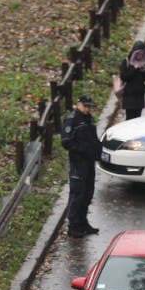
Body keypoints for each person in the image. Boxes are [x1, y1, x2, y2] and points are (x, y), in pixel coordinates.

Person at [61, 94, 102, 238]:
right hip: (78, 162)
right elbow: (66, 142)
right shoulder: (72, 120)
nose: (88, 109)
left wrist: (98, 152)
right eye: (85, 106)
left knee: (88, 193)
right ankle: (73, 226)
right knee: (77, 194)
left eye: (89, 107)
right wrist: (82, 150)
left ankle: (83, 223)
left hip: (89, 162)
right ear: (78, 104)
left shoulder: (88, 119)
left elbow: (93, 139)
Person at [119, 41, 145, 120]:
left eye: (142, 53)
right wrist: (134, 68)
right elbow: (124, 77)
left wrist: (144, 71)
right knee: (130, 119)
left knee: (137, 119)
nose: (140, 56)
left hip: (139, 96)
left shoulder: (144, 62)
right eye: (139, 53)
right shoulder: (126, 62)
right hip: (129, 96)